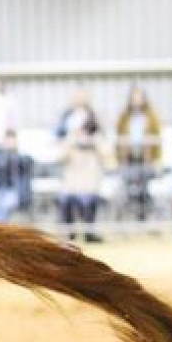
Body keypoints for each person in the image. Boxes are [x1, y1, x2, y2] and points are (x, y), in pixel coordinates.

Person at [55, 92, 106, 242]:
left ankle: (89, 232)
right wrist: (72, 138)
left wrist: (94, 140)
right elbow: (60, 155)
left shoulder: (96, 137)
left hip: (90, 172)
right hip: (72, 173)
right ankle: (69, 233)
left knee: (89, 198)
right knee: (65, 198)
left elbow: (106, 153)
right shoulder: (67, 131)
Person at [114, 86, 161, 220]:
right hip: (129, 159)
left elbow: (157, 139)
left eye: (139, 97)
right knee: (127, 186)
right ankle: (125, 217)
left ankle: (144, 216)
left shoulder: (152, 118)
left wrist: (154, 158)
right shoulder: (124, 118)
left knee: (143, 185)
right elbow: (119, 138)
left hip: (147, 159)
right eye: (134, 98)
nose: (137, 101)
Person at [0, 130, 32, 223]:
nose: (10, 142)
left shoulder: (21, 158)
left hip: (11, 191)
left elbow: (24, 175)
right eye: (8, 140)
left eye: (12, 140)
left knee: (3, 215)